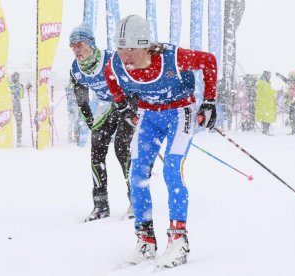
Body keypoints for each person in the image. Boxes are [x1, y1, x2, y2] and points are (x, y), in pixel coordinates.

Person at [104, 15, 217, 268]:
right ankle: (145, 240)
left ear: (146, 45)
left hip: (179, 113)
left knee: (171, 170)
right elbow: (109, 74)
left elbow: (208, 61)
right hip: (148, 115)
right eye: (121, 47)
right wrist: (121, 103)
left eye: (132, 47)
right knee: (137, 173)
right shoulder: (116, 62)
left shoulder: (172, 57)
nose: (125, 54)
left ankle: (179, 241)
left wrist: (209, 100)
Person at [69, 24, 137, 222]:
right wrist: (91, 123)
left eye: (79, 44)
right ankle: (100, 205)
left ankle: (137, 200)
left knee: (121, 146)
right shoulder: (76, 69)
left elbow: (134, 81)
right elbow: (81, 99)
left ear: (90, 43)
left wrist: (134, 107)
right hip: (109, 106)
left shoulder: (112, 59)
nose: (76, 50)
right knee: (97, 147)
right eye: (72, 46)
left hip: (128, 102)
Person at [255, 71, 277, 135]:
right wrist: (275, 92)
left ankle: (265, 131)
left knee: (265, 118)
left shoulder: (262, 83)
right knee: (266, 117)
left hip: (264, 103)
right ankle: (265, 131)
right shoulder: (264, 84)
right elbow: (269, 92)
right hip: (266, 104)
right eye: (269, 75)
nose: (270, 77)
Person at [9, 72, 24, 146]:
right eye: (16, 77)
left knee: (17, 124)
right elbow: (21, 96)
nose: (17, 79)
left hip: (11, 106)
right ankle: (18, 141)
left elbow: (21, 96)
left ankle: (17, 141)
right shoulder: (17, 85)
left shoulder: (8, 85)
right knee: (18, 124)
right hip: (15, 106)